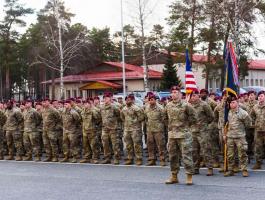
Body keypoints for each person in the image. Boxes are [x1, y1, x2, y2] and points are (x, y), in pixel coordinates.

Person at [165, 86, 196, 185]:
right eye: (172, 92)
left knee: (186, 156)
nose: (174, 94)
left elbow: (194, 118)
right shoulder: (168, 105)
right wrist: (171, 127)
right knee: (173, 156)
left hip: (184, 135)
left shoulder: (186, 105)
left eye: (176, 92)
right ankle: (174, 176)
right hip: (172, 135)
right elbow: (165, 118)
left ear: (180, 94)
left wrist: (186, 126)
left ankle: (189, 176)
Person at [224, 95, 251, 177]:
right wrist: (225, 135)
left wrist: (241, 131)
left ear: (237, 103)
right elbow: (226, 124)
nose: (231, 104)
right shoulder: (228, 112)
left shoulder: (243, 113)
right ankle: (231, 170)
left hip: (240, 137)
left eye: (233, 102)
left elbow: (248, 124)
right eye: (230, 103)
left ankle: (244, 170)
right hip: (230, 136)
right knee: (230, 155)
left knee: (242, 154)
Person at [190, 90, 215, 176]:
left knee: (206, 149)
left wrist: (204, 124)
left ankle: (210, 168)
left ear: (198, 96)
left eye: (195, 95)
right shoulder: (189, 106)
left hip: (203, 131)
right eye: (192, 95)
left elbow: (211, 116)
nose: (193, 97)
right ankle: (195, 168)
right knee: (194, 151)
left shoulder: (204, 105)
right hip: (193, 131)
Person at [121, 94, 145, 165]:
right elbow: (122, 118)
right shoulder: (124, 109)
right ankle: (130, 158)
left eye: (129, 99)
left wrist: (135, 122)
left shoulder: (137, 108)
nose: (127, 101)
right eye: (126, 100)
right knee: (128, 145)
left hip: (136, 129)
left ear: (132, 100)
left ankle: (139, 159)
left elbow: (141, 117)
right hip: (127, 129)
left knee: (137, 145)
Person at [144, 93, 167, 166]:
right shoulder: (147, 108)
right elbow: (146, 118)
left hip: (158, 130)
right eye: (149, 100)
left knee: (160, 145)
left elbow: (164, 118)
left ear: (155, 100)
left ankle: (162, 160)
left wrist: (161, 126)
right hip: (150, 130)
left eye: (152, 100)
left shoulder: (160, 108)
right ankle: (152, 159)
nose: (151, 101)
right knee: (150, 145)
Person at [100, 92, 121, 164]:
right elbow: (100, 117)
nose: (105, 99)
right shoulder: (102, 107)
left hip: (113, 128)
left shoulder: (114, 107)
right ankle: (107, 157)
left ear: (110, 98)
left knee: (115, 144)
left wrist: (114, 123)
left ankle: (116, 158)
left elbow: (119, 115)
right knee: (105, 143)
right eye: (104, 98)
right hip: (105, 128)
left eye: (107, 97)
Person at [80, 100, 101, 164]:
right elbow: (81, 120)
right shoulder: (82, 111)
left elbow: (98, 119)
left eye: (86, 104)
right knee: (86, 145)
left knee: (94, 145)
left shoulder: (94, 111)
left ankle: (95, 158)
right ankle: (87, 157)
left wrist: (95, 126)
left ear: (90, 104)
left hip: (92, 130)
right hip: (85, 130)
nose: (85, 105)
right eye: (84, 104)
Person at [251, 91, 265, 170]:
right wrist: (254, 124)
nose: (260, 98)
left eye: (262, 96)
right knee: (258, 147)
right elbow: (251, 116)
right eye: (259, 96)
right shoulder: (255, 107)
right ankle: (258, 163)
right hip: (258, 130)